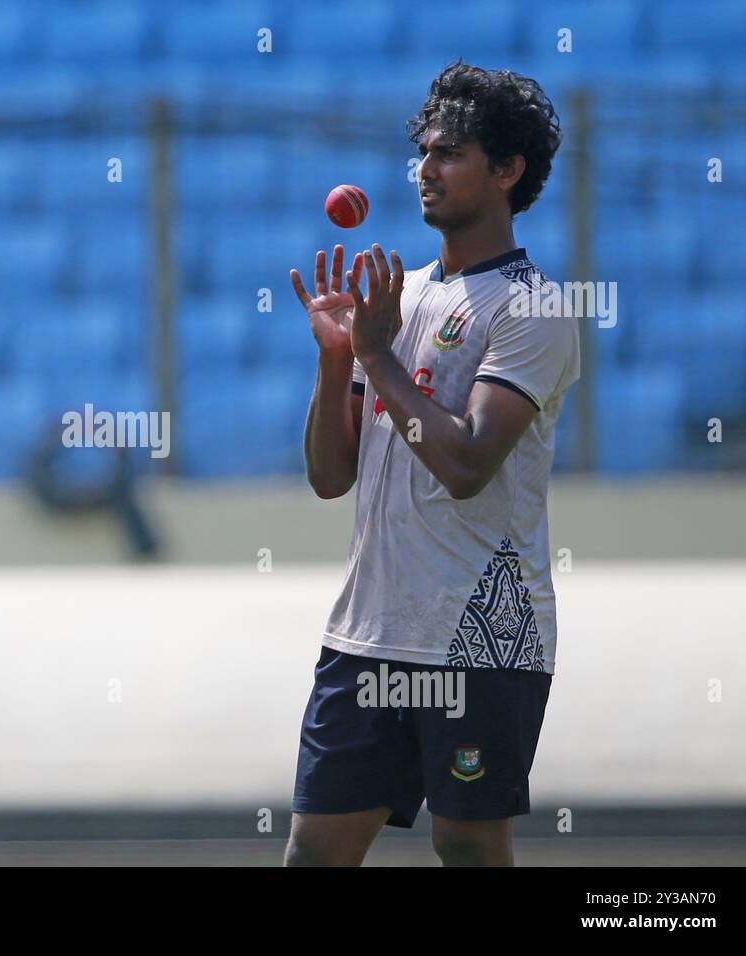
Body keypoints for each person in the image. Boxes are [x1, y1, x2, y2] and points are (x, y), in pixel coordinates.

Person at [285, 61, 578, 866]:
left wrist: (375, 358)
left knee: (470, 852)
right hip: (366, 633)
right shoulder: (399, 295)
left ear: (508, 171)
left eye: (449, 152)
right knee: (314, 853)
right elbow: (327, 477)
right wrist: (335, 359)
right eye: (423, 151)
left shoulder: (533, 308)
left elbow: (469, 464)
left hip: (479, 640)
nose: (426, 168)